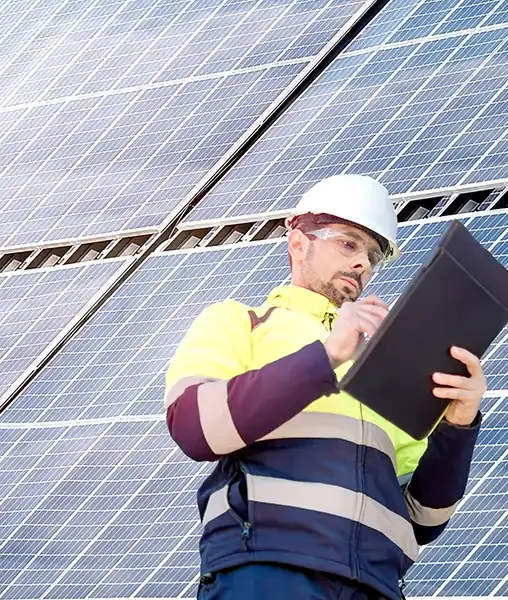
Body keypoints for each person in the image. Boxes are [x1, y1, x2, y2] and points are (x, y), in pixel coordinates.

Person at [163, 174, 485, 600]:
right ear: (299, 244)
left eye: (373, 255)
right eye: (349, 243)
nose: (363, 264)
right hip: (268, 572)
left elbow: (424, 518)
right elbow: (195, 427)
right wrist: (326, 358)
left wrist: (458, 428)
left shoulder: (387, 363)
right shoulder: (239, 321)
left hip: (376, 586)